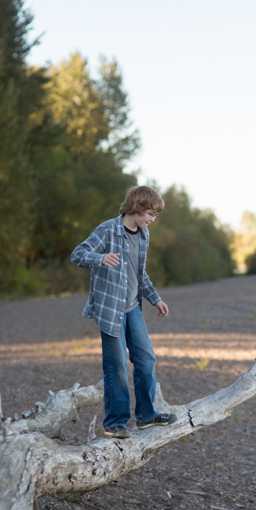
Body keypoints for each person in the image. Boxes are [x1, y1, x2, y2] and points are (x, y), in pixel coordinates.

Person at [71, 186, 177, 439]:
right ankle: (115, 422)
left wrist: (155, 298)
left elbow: (140, 273)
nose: (152, 219)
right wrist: (100, 258)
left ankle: (146, 416)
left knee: (146, 359)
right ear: (136, 208)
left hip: (133, 308)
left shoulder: (143, 235)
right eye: (150, 213)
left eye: (155, 215)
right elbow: (78, 254)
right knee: (116, 365)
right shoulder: (108, 229)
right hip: (110, 309)